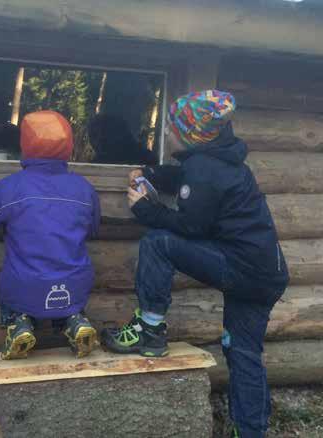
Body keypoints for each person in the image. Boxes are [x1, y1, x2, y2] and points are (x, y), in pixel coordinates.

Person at [102, 90, 289, 438]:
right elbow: (190, 180)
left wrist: (145, 209)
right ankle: (251, 432)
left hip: (242, 269)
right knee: (242, 351)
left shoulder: (206, 169)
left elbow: (191, 227)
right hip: (265, 274)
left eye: (173, 128)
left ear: (190, 133)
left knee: (158, 242)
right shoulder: (218, 160)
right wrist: (152, 173)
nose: (168, 133)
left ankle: (150, 329)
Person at [0, 110, 101, 360]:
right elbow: (94, 228)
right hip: (74, 287)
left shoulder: (12, 187)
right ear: (68, 145)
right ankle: (75, 320)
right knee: (66, 289)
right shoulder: (84, 188)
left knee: (18, 282)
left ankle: (19, 323)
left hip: (25, 287)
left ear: (25, 145)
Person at [88, 113, 158, 165]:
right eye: (93, 136)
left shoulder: (145, 158)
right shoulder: (97, 162)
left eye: (102, 136)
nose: (96, 142)